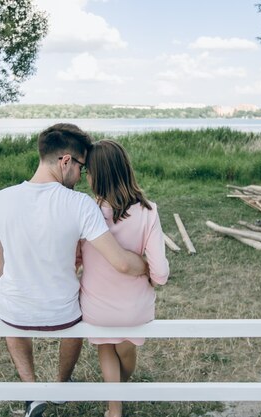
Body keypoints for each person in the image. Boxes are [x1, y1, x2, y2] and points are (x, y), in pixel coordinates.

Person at [0, 124, 147, 417]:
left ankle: (32, 392)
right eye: (82, 168)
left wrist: (20, 286)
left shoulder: (1, 198)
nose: (83, 176)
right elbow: (120, 262)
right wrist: (149, 266)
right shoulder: (80, 204)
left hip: (15, 309)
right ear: (66, 161)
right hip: (63, 314)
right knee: (77, 315)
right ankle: (60, 385)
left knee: (12, 319)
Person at [79, 140, 170, 417]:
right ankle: (116, 399)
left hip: (96, 307)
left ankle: (114, 407)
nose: (88, 178)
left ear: (97, 175)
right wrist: (151, 275)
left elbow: (75, 259)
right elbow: (161, 273)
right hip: (134, 309)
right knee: (125, 354)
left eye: (89, 172)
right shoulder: (148, 211)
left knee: (105, 348)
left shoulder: (86, 212)